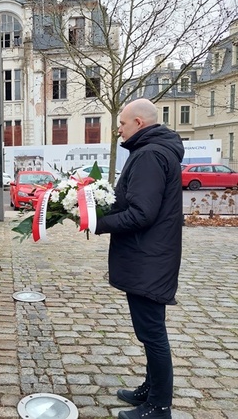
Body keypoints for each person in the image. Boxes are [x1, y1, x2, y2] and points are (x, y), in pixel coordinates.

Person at [95, 98, 184, 419]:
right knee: (149, 331)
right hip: (150, 255)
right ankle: (151, 388)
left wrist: (97, 223)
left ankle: (159, 406)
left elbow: (141, 213)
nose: (118, 129)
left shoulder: (149, 155)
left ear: (139, 123)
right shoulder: (153, 151)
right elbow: (131, 200)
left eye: (122, 123)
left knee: (152, 333)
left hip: (149, 258)